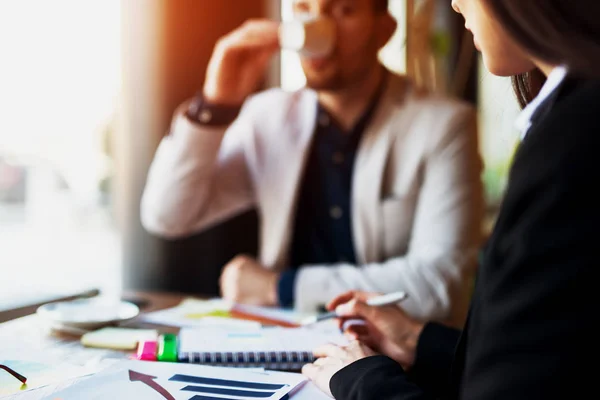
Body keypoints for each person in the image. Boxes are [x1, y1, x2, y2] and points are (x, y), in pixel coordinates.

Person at [301, 0, 600, 398]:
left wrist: (364, 381)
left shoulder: (573, 144)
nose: (455, 3)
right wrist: (420, 341)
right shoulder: (565, 122)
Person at [140, 0, 484, 326]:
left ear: (384, 31)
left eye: (344, 10)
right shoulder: (269, 118)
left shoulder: (443, 125)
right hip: (280, 350)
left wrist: (280, 287)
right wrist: (215, 105)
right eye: (304, 8)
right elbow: (168, 215)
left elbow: (441, 286)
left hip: (391, 362)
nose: (318, 27)